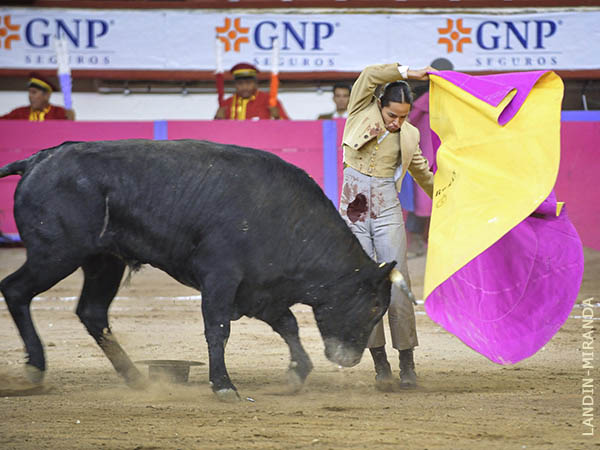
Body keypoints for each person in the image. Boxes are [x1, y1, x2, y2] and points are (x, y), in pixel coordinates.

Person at [338, 63, 434, 391]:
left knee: (398, 281)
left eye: (404, 117)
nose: (397, 122)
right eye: (393, 115)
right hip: (353, 213)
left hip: (387, 210)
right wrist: (409, 71)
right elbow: (368, 75)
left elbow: (421, 171)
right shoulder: (359, 110)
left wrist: (446, 199)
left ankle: (407, 362)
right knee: (365, 286)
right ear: (380, 104)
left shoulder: (410, 134)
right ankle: (381, 364)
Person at [214, 63, 289, 120]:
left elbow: (289, 128)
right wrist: (217, 119)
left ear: (256, 84)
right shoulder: (227, 103)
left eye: (248, 83)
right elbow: (214, 133)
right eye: (240, 84)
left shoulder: (269, 100)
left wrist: (277, 117)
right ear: (235, 85)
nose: (244, 87)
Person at [0, 74, 74, 121]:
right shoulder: (19, 113)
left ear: (46, 95)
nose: (30, 96)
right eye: (29, 92)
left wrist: (71, 120)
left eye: (34, 92)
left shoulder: (59, 113)